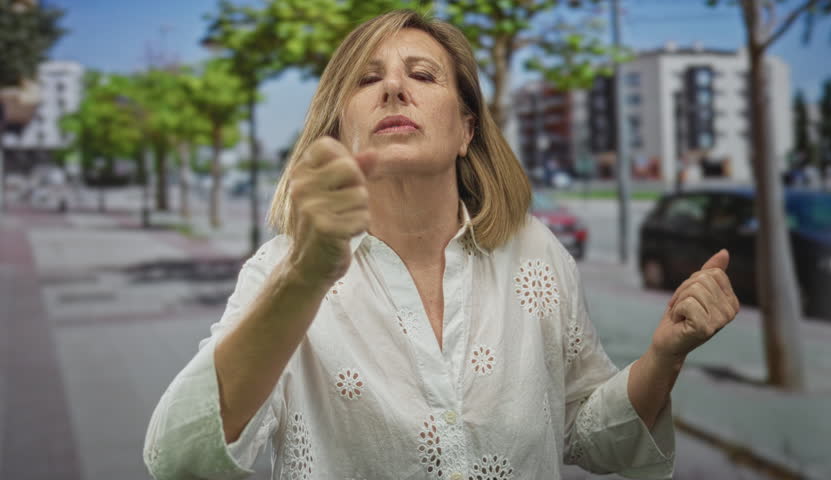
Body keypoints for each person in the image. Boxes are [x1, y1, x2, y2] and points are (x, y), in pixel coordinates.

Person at [144, 10, 739, 480]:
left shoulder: (535, 254)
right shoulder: (280, 271)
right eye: (367, 79)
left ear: (466, 129)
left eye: (422, 75)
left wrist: (664, 357)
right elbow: (179, 459)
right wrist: (305, 276)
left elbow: (582, 429)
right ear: (338, 133)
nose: (395, 89)